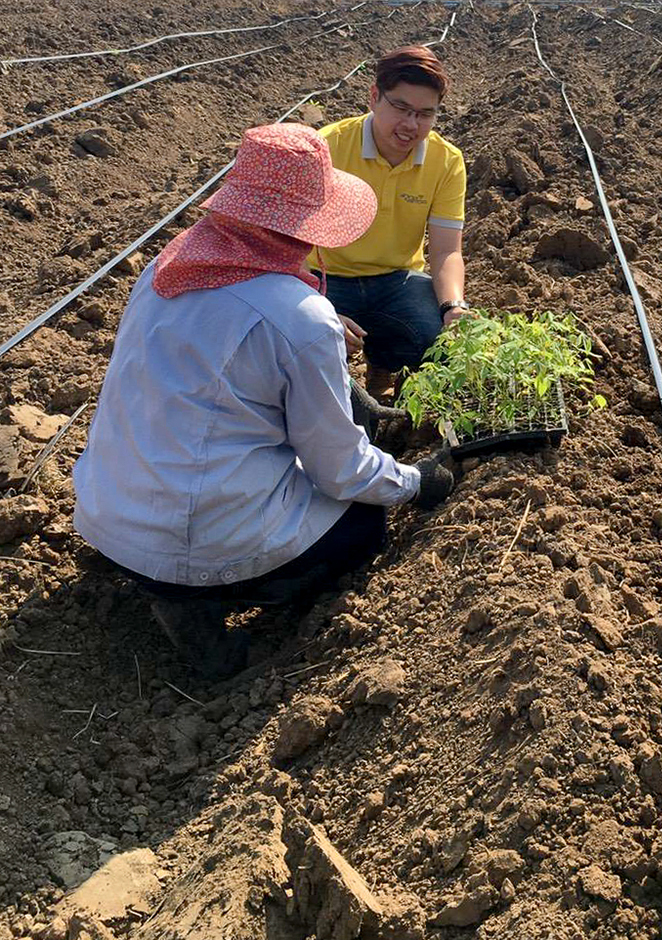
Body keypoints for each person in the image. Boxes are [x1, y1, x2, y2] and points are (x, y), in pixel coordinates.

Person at [72, 124, 455, 678]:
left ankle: (168, 578)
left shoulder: (168, 269)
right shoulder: (298, 317)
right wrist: (417, 483)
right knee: (364, 525)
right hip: (198, 543)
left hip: (110, 519)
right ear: (306, 225)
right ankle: (203, 603)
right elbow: (339, 472)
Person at [316, 46, 468, 398]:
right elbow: (284, 244)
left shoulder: (446, 161)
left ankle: (386, 369)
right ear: (374, 97)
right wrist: (313, 311)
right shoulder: (328, 147)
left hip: (397, 280)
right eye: (400, 108)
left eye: (425, 114)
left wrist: (453, 307)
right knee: (301, 342)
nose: (411, 125)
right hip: (325, 277)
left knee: (437, 343)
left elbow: (446, 251)